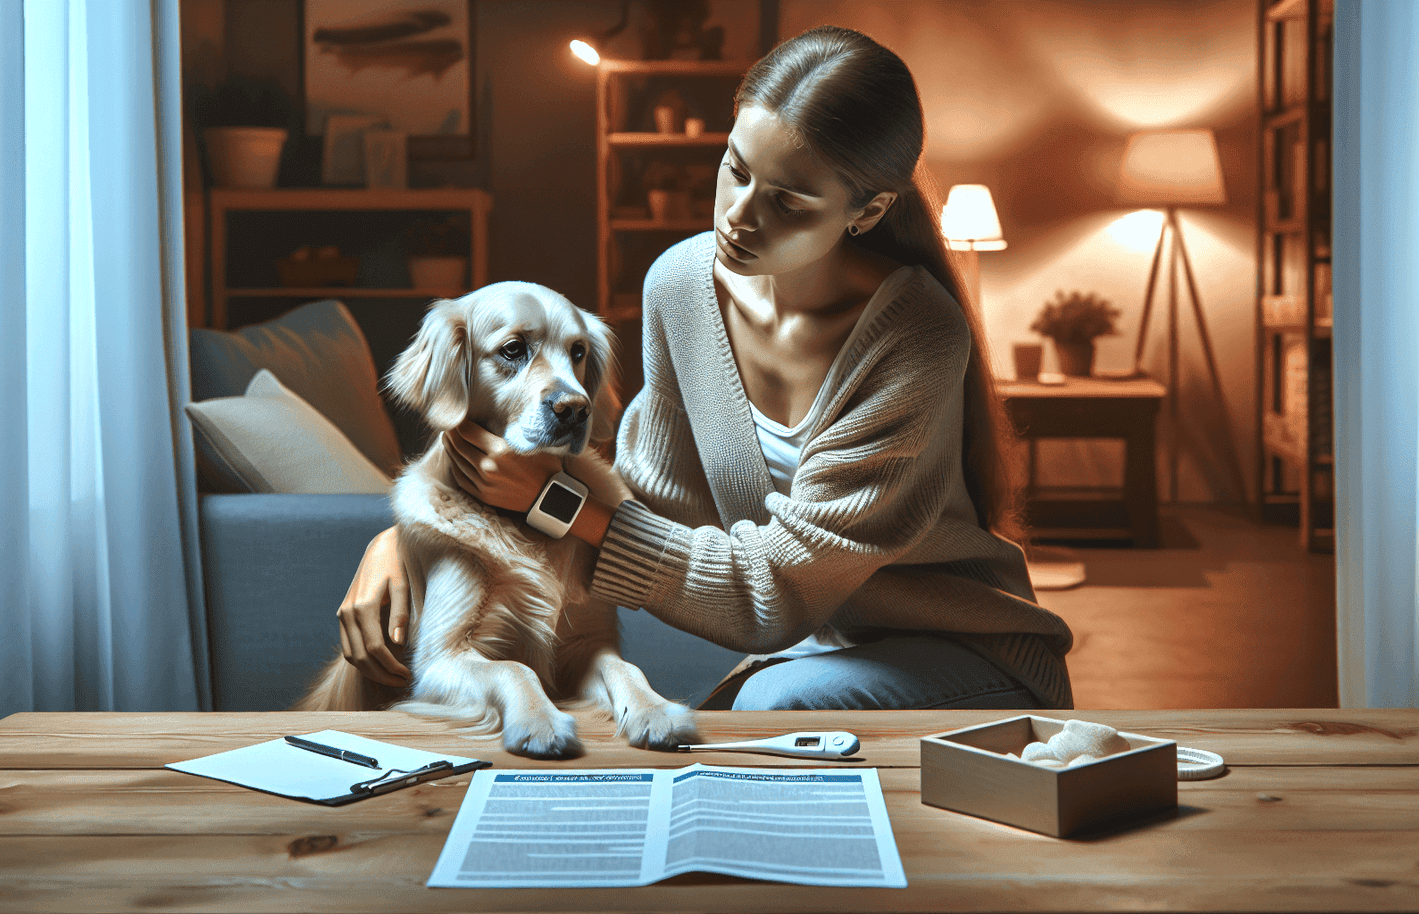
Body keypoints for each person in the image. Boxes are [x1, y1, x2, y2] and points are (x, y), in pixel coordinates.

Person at [335, 25, 1074, 711]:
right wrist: (405, 538)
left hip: (960, 652)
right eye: (735, 169)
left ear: (868, 211)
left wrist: (553, 506)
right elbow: (647, 500)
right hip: (804, 654)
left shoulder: (918, 337)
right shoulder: (681, 286)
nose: (740, 216)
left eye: (788, 201)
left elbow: (769, 590)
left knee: (761, 712)